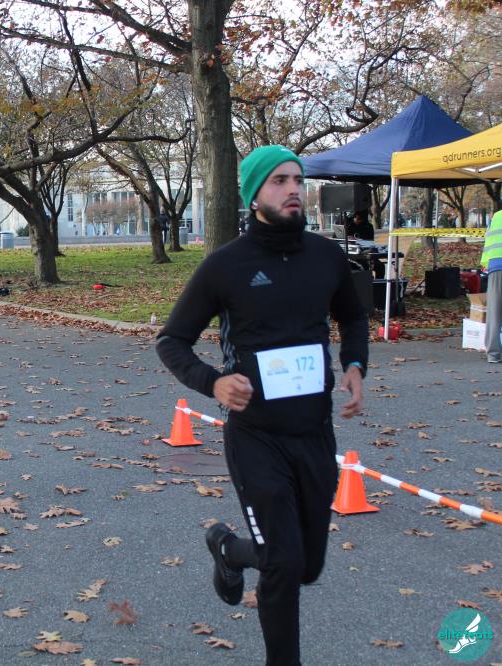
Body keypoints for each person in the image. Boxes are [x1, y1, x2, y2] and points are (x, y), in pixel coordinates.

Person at [155, 145, 369, 666]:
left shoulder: (326, 256)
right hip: (256, 436)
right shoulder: (226, 265)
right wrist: (214, 384)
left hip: (314, 433)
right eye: (279, 181)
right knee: (283, 563)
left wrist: (355, 365)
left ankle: (228, 549)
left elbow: (353, 316)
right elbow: (172, 341)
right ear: (254, 196)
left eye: (298, 179)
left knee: (307, 566)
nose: (294, 189)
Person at [483, 210, 502, 363]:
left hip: (495, 265)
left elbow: (488, 240)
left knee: (494, 312)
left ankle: (493, 354)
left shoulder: (496, 216)